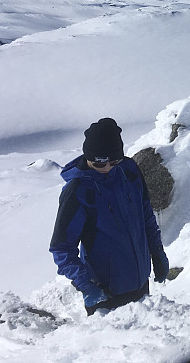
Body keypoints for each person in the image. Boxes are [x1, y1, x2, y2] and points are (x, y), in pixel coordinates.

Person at [49, 118, 170, 315]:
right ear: (88, 157)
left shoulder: (129, 171)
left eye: (113, 162)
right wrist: (87, 286)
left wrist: (156, 252)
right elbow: (61, 248)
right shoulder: (78, 191)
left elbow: (146, 214)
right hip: (106, 294)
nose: (107, 168)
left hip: (140, 284)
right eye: (99, 163)